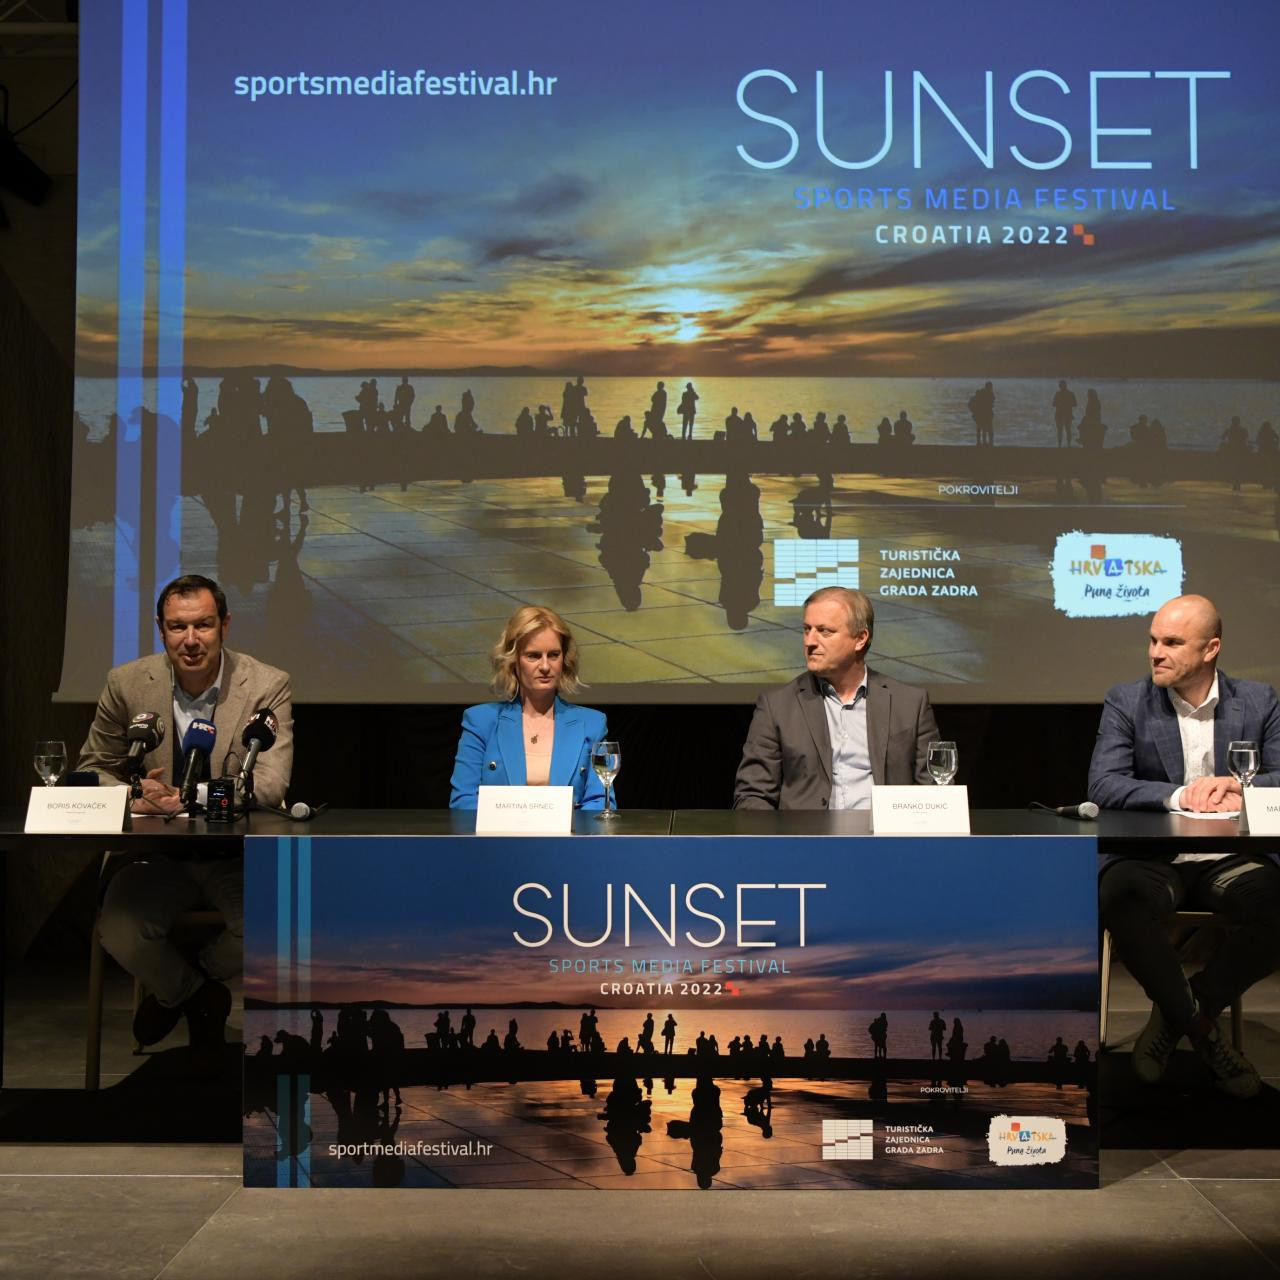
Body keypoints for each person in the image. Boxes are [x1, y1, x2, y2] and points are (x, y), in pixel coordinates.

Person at [77, 574, 293, 1060]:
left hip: (234, 854)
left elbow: (271, 784)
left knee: (273, 926)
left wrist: (187, 796)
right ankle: (196, 996)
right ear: (161, 629)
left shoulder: (266, 684)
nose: (191, 640)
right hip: (155, 854)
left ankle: (189, 980)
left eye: (204, 625)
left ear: (225, 626)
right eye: (178, 627)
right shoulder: (126, 683)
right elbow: (93, 769)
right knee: (119, 928)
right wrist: (133, 793)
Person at [1088, 593, 1280, 1098]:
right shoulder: (1127, 700)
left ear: (1211, 648)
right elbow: (1104, 783)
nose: (1156, 652)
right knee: (1119, 896)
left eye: (1172, 642)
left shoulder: (1259, 700)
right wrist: (1179, 795)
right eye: (1153, 640)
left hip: (1230, 859)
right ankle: (1204, 1033)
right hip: (1155, 857)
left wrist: (1240, 786)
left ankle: (1184, 1010)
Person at [734, 586, 939, 809]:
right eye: (807, 629)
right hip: (808, 831)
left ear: (860, 639)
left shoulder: (910, 704)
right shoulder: (777, 707)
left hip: (885, 830)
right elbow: (753, 795)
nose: (810, 641)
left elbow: (936, 792)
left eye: (825, 631)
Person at [449, 605, 608, 809]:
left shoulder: (592, 724)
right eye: (533, 656)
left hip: (569, 831)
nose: (545, 666)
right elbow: (463, 802)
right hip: (499, 831)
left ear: (564, 659)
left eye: (553, 655)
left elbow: (601, 801)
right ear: (513, 661)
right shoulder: (480, 721)